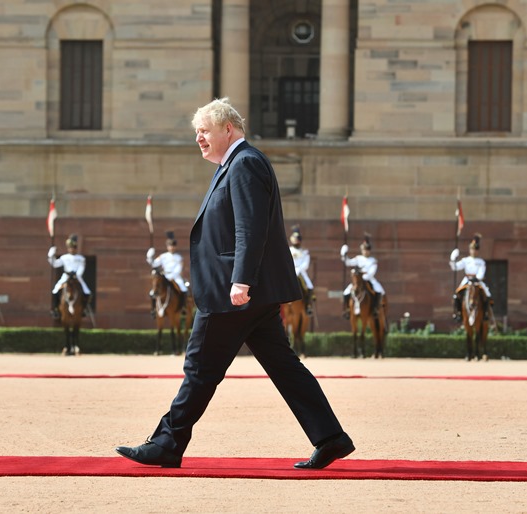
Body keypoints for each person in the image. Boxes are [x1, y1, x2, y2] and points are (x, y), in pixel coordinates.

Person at [115, 98, 353, 470]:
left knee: (200, 368)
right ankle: (331, 437)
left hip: (234, 293)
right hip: (248, 293)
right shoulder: (236, 163)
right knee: (284, 366)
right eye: (196, 132)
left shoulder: (244, 163)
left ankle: (167, 443)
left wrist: (241, 280)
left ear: (228, 129)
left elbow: (249, 228)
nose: (199, 138)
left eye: (204, 131)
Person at [340, 233, 384, 319]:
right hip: (358, 280)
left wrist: (363, 276)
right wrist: (344, 254)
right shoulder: (358, 258)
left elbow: (372, 272)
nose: (366, 252)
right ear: (362, 250)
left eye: (367, 250)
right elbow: (348, 263)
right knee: (346, 292)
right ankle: (347, 309)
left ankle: (375, 309)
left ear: (369, 251)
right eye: (364, 250)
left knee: (379, 290)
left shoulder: (373, 260)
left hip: (369, 279)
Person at [449, 233, 492, 321]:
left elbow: (481, 272)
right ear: (470, 250)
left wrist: (477, 278)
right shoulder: (466, 260)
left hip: (477, 281)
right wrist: (453, 258)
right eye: (472, 249)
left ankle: (485, 314)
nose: (474, 251)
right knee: (457, 294)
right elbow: (455, 267)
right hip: (467, 280)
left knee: (487, 294)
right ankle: (458, 313)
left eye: (475, 249)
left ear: (478, 251)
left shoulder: (481, 262)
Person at [48, 234, 92, 319]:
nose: (72, 249)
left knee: (87, 292)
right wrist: (51, 256)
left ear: (76, 248)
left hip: (77, 277)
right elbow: (55, 264)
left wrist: (76, 274)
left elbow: (81, 268)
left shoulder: (81, 258)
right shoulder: (64, 257)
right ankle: (55, 309)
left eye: (73, 248)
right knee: (55, 291)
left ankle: (84, 309)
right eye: (70, 248)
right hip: (66, 277)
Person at [146, 231, 189, 316]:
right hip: (165, 275)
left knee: (184, 288)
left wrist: (172, 275)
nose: (172, 247)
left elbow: (179, 268)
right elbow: (154, 264)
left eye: (173, 246)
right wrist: (150, 256)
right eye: (170, 246)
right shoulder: (163, 256)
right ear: (167, 247)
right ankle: (153, 309)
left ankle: (183, 307)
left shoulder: (179, 257)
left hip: (175, 277)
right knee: (153, 291)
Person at [288, 226, 315, 315]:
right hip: (291, 272)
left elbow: (306, 263)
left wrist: (299, 269)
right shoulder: (289, 250)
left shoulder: (305, 252)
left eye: (297, 239)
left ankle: (308, 306)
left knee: (310, 286)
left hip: (301, 272)